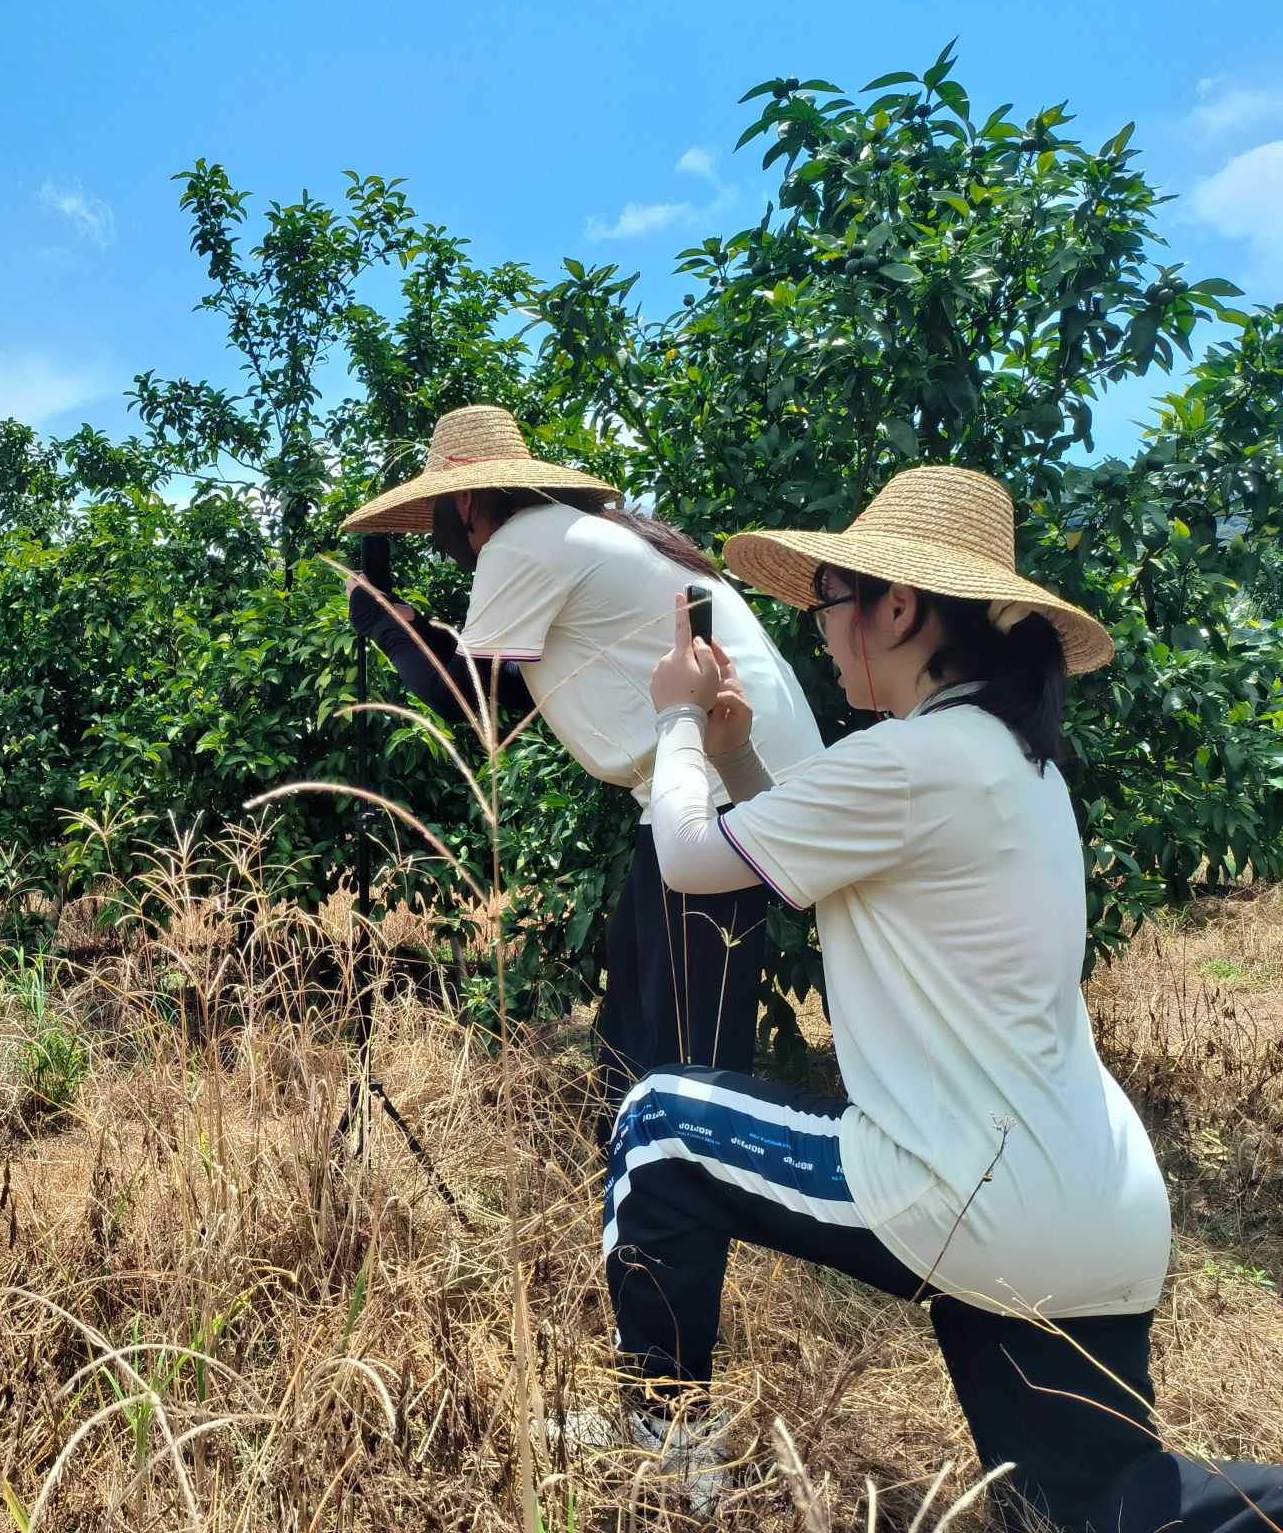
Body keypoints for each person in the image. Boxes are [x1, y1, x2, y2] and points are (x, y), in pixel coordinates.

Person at [603, 464, 1283, 1528]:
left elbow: (689, 860)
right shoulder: (1007, 760)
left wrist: (678, 723)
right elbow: (814, 861)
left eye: (829, 603)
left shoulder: (911, 760)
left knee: (659, 1126)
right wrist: (736, 759)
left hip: (966, 1192)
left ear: (898, 609)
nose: (822, 634)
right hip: (1090, 1206)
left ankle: (659, 1442)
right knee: (1099, 1509)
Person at [340, 405, 822, 1108]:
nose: (437, 542)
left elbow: (465, 698)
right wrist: (416, 630)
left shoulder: (521, 543)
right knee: (637, 1010)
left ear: (464, 501)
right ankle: (637, 1159)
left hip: (722, 782)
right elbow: (513, 688)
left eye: (435, 515)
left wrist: (387, 627)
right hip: (706, 782)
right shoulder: (571, 533)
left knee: (683, 1039)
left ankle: (684, 1166)